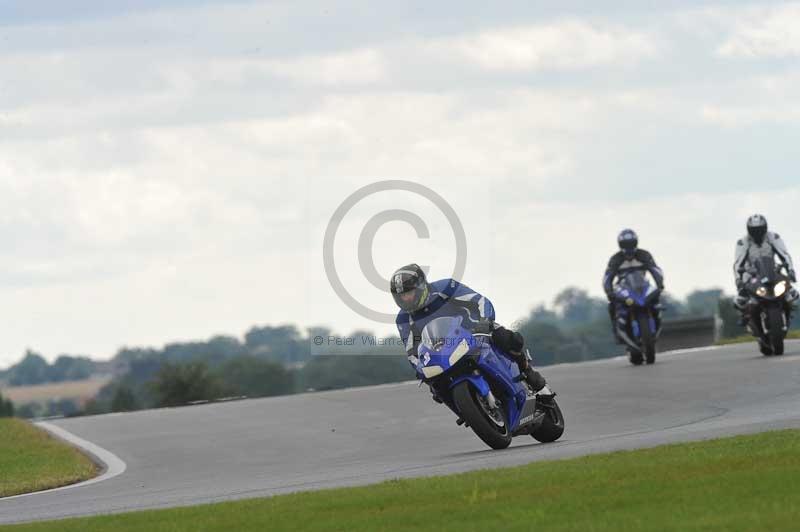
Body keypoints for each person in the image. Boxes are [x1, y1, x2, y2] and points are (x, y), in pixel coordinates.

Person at [391, 263, 547, 393]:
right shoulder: (403, 319)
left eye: (409, 293)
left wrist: (485, 322)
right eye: (401, 296)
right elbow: (412, 351)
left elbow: (480, 301)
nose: (406, 299)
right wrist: (419, 366)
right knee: (435, 388)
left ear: (420, 287)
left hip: (476, 331)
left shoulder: (445, 288)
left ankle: (527, 371)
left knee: (506, 338)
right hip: (443, 351)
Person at [603, 229, 665, 344]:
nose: (629, 247)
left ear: (636, 243)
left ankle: (657, 319)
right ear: (620, 245)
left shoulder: (644, 255)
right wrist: (609, 291)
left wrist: (659, 284)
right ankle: (616, 332)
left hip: (642, 286)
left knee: (656, 299)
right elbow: (607, 277)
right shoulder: (615, 259)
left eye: (631, 243)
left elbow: (655, 270)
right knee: (612, 305)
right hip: (624, 289)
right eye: (626, 244)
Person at [733, 214, 797, 321]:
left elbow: (785, 255)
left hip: (772, 271)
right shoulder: (743, 242)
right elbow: (737, 264)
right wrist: (738, 280)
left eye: (760, 229)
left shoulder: (773, 237)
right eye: (754, 230)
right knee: (740, 300)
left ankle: (787, 309)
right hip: (751, 274)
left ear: (765, 228)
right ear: (749, 230)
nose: (757, 233)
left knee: (792, 293)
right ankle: (746, 316)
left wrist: (790, 270)